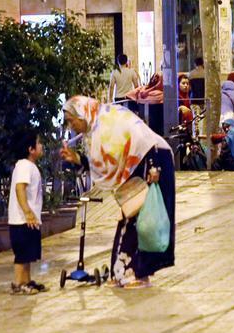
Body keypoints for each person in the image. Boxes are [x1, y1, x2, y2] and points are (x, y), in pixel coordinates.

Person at [61, 96, 176, 289]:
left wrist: (153, 169)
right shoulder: (97, 126)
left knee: (144, 218)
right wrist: (79, 159)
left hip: (152, 159)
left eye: (72, 120)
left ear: (83, 114)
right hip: (139, 163)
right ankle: (123, 272)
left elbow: (139, 140)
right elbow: (107, 162)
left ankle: (137, 273)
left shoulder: (107, 121)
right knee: (130, 216)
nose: (71, 126)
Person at [8, 132, 46, 295]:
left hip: (29, 219)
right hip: (21, 220)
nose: (41, 146)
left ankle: (27, 281)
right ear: (30, 149)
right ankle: (18, 283)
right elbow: (20, 189)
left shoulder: (30, 166)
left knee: (28, 252)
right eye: (38, 143)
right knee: (22, 253)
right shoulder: (23, 165)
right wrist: (28, 213)